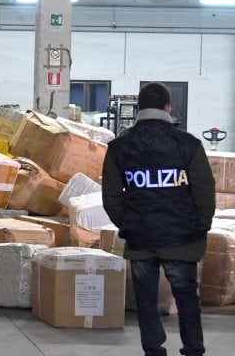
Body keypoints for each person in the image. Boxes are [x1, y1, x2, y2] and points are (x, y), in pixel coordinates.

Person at [101, 82, 215, 356]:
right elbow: (204, 191)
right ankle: (193, 349)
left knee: (146, 299)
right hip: (182, 238)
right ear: (167, 107)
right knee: (187, 297)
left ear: (139, 107)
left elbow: (111, 197)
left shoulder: (119, 147)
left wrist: (127, 225)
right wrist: (200, 227)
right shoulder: (189, 145)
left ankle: (153, 349)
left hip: (141, 240)